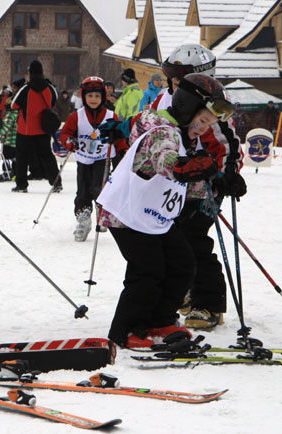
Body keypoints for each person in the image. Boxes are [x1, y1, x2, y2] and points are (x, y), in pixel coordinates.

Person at [100, 43, 244, 330]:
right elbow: (149, 125)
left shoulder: (210, 106)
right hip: (169, 188)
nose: (177, 84)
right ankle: (180, 296)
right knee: (171, 252)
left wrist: (228, 174)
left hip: (201, 185)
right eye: (174, 78)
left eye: (183, 77)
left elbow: (227, 145)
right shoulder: (170, 100)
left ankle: (207, 302)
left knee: (193, 245)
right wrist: (120, 128)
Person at [60, 76, 128, 242]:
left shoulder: (111, 116)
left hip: (103, 158)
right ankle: (83, 218)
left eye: (97, 96)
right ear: (84, 97)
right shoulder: (77, 116)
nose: (93, 100)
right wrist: (69, 142)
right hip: (83, 159)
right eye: (90, 96)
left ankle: (102, 212)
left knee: (100, 188)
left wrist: (123, 150)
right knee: (82, 190)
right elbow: (65, 134)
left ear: (103, 97)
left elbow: (120, 136)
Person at [10, 59, 61, 193]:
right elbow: (54, 103)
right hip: (43, 129)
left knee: (22, 157)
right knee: (47, 155)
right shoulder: (50, 88)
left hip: (25, 129)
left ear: (29, 73)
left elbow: (13, 105)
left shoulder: (25, 89)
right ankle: (56, 182)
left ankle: (21, 185)